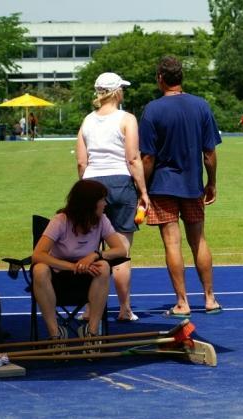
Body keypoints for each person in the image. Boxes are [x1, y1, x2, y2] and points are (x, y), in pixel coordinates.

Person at [139, 55, 222, 316]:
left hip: (162, 186)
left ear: (160, 78)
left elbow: (148, 157)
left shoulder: (152, 109)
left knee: (172, 244)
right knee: (198, 240)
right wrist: (212, 183)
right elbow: (209, 153)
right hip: (192, 185)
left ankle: (182, 302)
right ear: (181, 78)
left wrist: (142, 187)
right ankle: (210, 299)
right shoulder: (201, 106)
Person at [76, 72, 150, 322]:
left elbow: (81, 162)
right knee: (120, 251)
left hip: (91, 183)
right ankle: (124, 308)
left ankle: (88, 309)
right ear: (116, 92)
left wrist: (83, 190)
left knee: (89, 249)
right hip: (120, 184)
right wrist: (143, 191)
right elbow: (132, 159)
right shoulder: (127, 119)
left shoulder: (86, 121)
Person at [32, 180, 128, 343]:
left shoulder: (102, 220)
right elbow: (38, 255)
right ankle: (56, 335)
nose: (106, 203)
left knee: (104, 266)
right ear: (89, 203)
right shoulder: (60, 220)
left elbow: (120, 250)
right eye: (102, 199)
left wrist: (94, 255)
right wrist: (73, 266)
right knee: (39, 269)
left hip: (89, 277)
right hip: (58, 277)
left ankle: (91, 332)